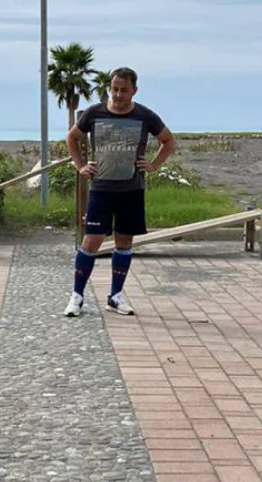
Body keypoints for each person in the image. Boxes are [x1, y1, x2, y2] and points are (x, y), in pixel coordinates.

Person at [63, 67, 176, 317]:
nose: (118, 94)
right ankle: (77, 296)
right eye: (114, 89)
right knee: (91, 241)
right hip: (101, 189)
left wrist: (154, 165)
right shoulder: (94, 113)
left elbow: (168, 140)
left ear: (134, 90)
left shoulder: (145, 116)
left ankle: (115, 296)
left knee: (124, 242)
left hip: (131, 190)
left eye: (124, 90)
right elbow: (71, 138)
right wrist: (80, 166)